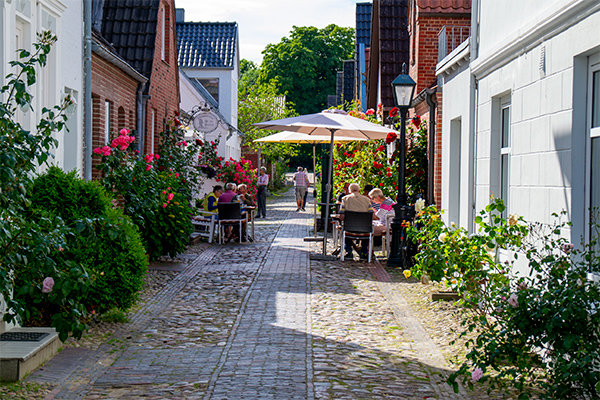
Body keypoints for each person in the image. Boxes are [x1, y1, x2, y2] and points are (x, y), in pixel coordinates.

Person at [339, 183, 374, 260]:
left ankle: (349, 251)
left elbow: (342, 217)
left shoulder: (345, 199)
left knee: (344, 229)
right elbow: (371, 215)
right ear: (359, 190)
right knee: (368, 229)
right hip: (365, 230)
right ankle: (363, 252)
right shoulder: (367, 200)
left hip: (349, 229)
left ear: (350, 191)